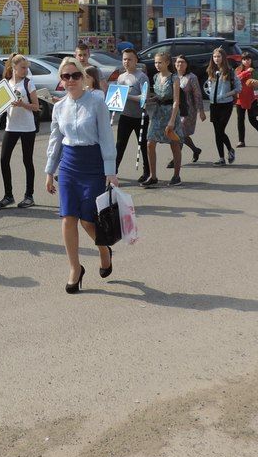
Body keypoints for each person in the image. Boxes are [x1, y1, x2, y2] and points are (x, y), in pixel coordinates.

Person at [44, 57, 118, 293]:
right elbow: (56, 140)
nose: (71, 80)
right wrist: (49, 171)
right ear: (61, 80)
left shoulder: (96, 101)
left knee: (88, 219)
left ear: (84, 78)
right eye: (66, 76)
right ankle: (75, 268)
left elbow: (106, 136)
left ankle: (104, 249)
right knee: (68, 218)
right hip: (68, 165)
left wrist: (110, 171)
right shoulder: (59, 107)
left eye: (75, 75)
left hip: (93, 164)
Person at [0, 54, 40, 210]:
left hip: (27, 127)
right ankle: (8, 195)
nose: (25, 70)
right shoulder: (6, 84)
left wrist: (23, 105)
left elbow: (36, 106)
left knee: (27, 160)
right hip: (11, 126)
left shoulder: (28, 83)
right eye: (22, 67)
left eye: (27, 67)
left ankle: (29, 196)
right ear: (13, 67)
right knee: (3, 159)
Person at [144, 51, 182, 186]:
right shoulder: (155, 77)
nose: (157, 65)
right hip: (157, 113)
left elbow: (176, 101)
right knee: (150, 142)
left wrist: (172, 120)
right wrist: (148, 100)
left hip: (171, 113)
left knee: (174, 144)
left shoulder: (174, 78)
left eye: (160, 62)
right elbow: (158, 96)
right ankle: (153, 176)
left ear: (167, 63)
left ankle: (176, 175)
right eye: (155, 62)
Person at [111, 49, 149, 182]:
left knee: (143, 145)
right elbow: (117, 97)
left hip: (140, 117)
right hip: (125, 116)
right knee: (120, 145)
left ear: (136, 61)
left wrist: (128, 96)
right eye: (124, 59)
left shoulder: (141, 76)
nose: (126, 62)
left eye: (129, 59)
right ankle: (113, 171)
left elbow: (144, 98)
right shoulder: (121, 77)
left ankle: (147, 172)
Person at [206, 48, 240, 165]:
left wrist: (225, 94)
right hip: (213, 105)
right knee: (217, 132)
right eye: (214, 57)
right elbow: (210, 87)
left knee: (220, 130)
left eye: (219, 57)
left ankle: (230, 149)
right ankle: (221, 158)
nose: (216, 59)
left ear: (223, 58)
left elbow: (238, 88)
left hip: (226, 104)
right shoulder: (211, 70)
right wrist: (211, 95)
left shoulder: (229, 71)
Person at [174, 54, 206, 162]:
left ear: (187, 64)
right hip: (175, 110)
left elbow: (198, 95)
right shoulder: (173, 77)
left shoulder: (192, 77)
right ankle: (195, 150)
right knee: (181, 134)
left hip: (188, 110)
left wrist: (201, 111)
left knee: (180, 133)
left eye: (182, 62)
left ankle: (175, 160)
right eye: (178, 62)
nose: (180, 64)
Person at [233, 52, 258, 148]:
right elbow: (237, 78)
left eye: (248, 59)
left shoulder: (254, 71)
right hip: (240, 98)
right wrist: (247, 71)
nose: (246, 61)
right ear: (241, 60)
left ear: (251, 60)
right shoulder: (238, 69)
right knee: (240, 120)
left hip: (252, 98)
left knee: (252, 120)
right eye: (244, 59)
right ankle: (241, 141)